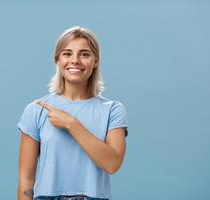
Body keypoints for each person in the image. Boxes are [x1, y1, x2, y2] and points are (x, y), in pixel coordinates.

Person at [17, 26, 128, 200]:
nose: (75, 60)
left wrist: (71, 123)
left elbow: (112, 164)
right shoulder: (36, 110)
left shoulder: (113, 110)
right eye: (67, 54)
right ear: (57, 60)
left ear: (96, 61)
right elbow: (26, 179)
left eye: (84, 54)